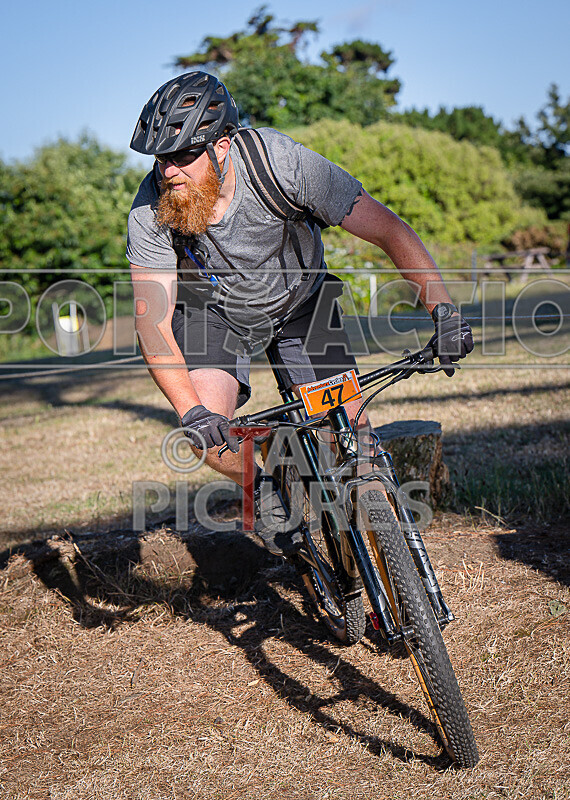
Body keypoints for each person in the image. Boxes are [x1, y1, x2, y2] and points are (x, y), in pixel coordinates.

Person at [127, 71, 473, 555]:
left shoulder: (280, 163)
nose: (169, 172)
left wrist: (445, 313)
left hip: (302, 303)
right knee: (207, 435)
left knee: (353, 444)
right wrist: (192, 412)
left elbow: (389, 231)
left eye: (184, 155)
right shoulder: (150, 212)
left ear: (222, 146)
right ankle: (267, 486)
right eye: (161, 158)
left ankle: (384, 571)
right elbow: (152, 322)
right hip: (214, 313)